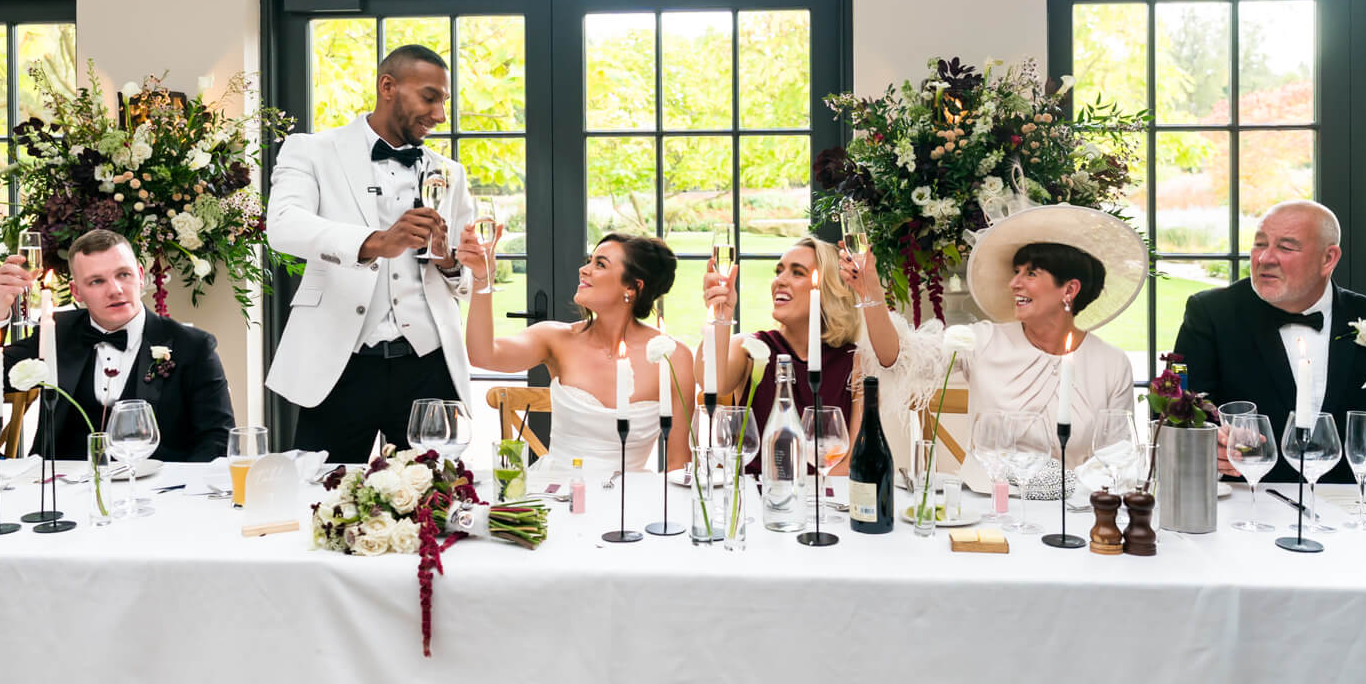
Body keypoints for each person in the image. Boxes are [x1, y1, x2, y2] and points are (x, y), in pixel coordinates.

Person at [266, 44, 472, 460]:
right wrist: (375, 242)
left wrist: (450, 262)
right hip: (339, 362)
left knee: (432, 500)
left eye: (444, 102)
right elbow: (283, 226)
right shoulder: (311, 151)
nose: (440, 115)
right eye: (430, 98)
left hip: (427, 364)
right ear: (388, 86)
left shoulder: (450, 172)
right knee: (321, 498)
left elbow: (468, 277)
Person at [871, 203, 1148, 492]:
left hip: (1070, 516)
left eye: (1030, 274)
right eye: (1016, 272)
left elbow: (1117, 459)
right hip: (984, 508)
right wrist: (870, 291)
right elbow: (899, 358)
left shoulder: (1112, 364)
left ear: (1069, 290)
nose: (1013, 283)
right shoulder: (983, 341)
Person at [1177, 199, 1366, 485]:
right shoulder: (1212, 314)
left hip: (1352, 513)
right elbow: (1178, 415)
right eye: (1260, 244)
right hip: (1245, 505)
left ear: (1328, 259)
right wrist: (1212, 446)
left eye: (1286, 247)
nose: (1265, 258)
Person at [0, 228, 235, 461]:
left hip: (158, 495)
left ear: (141, 276)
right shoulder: (55, 333)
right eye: (97, 281)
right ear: (76, 292)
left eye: (123, 275)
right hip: (63, 495)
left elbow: (217, 441)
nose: (115, 289)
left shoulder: (193, 346)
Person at [459, 228, 696, 474]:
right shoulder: (554, 338)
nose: (584, 270)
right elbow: (483, 355)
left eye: (600, 265)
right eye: (589, 261)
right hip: (556, 495)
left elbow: (679, 465)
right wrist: (481, 277)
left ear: (633, 288)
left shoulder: (673, 357)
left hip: (631, 502)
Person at [699, 237, 903, 474]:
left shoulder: (854, 361)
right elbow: (711, 382)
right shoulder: (752, 349)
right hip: (757, 500)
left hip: (825, 503)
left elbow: (853, 460)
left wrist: (805, 502)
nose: (779, 281)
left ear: (826, 290)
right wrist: (719, 315)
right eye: (779, 271)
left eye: (797, 273)